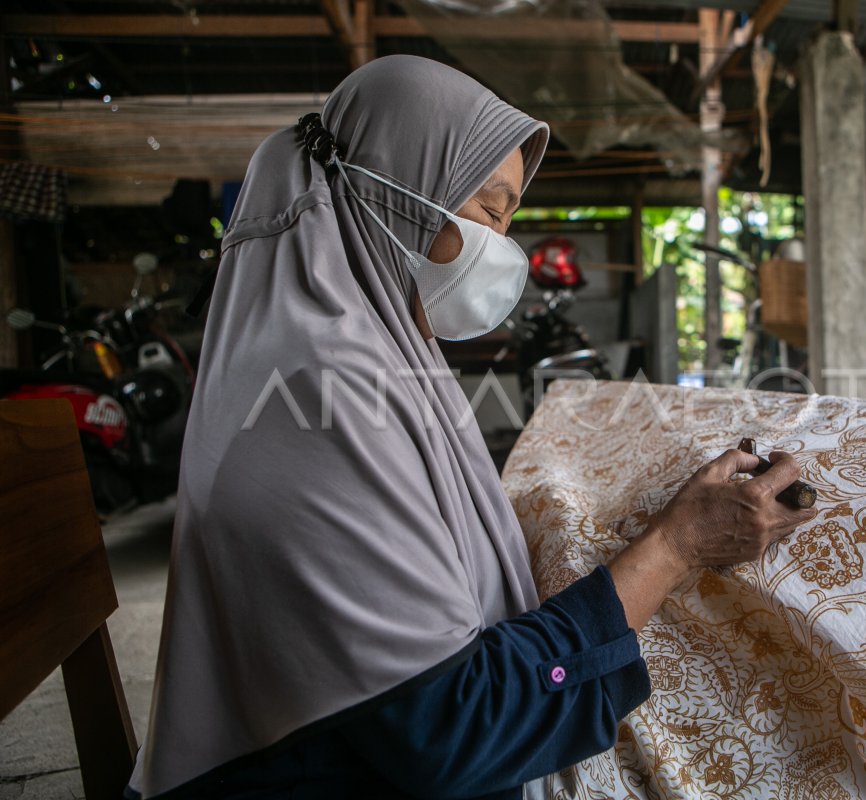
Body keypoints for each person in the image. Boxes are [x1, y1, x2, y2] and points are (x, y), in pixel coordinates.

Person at [127, 55, 816, 800]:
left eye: (509, 216)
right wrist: (676, 544)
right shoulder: (318, 389)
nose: (501, 244)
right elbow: (458, 728)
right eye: (488, 211)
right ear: (389, 198)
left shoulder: (364, 351)